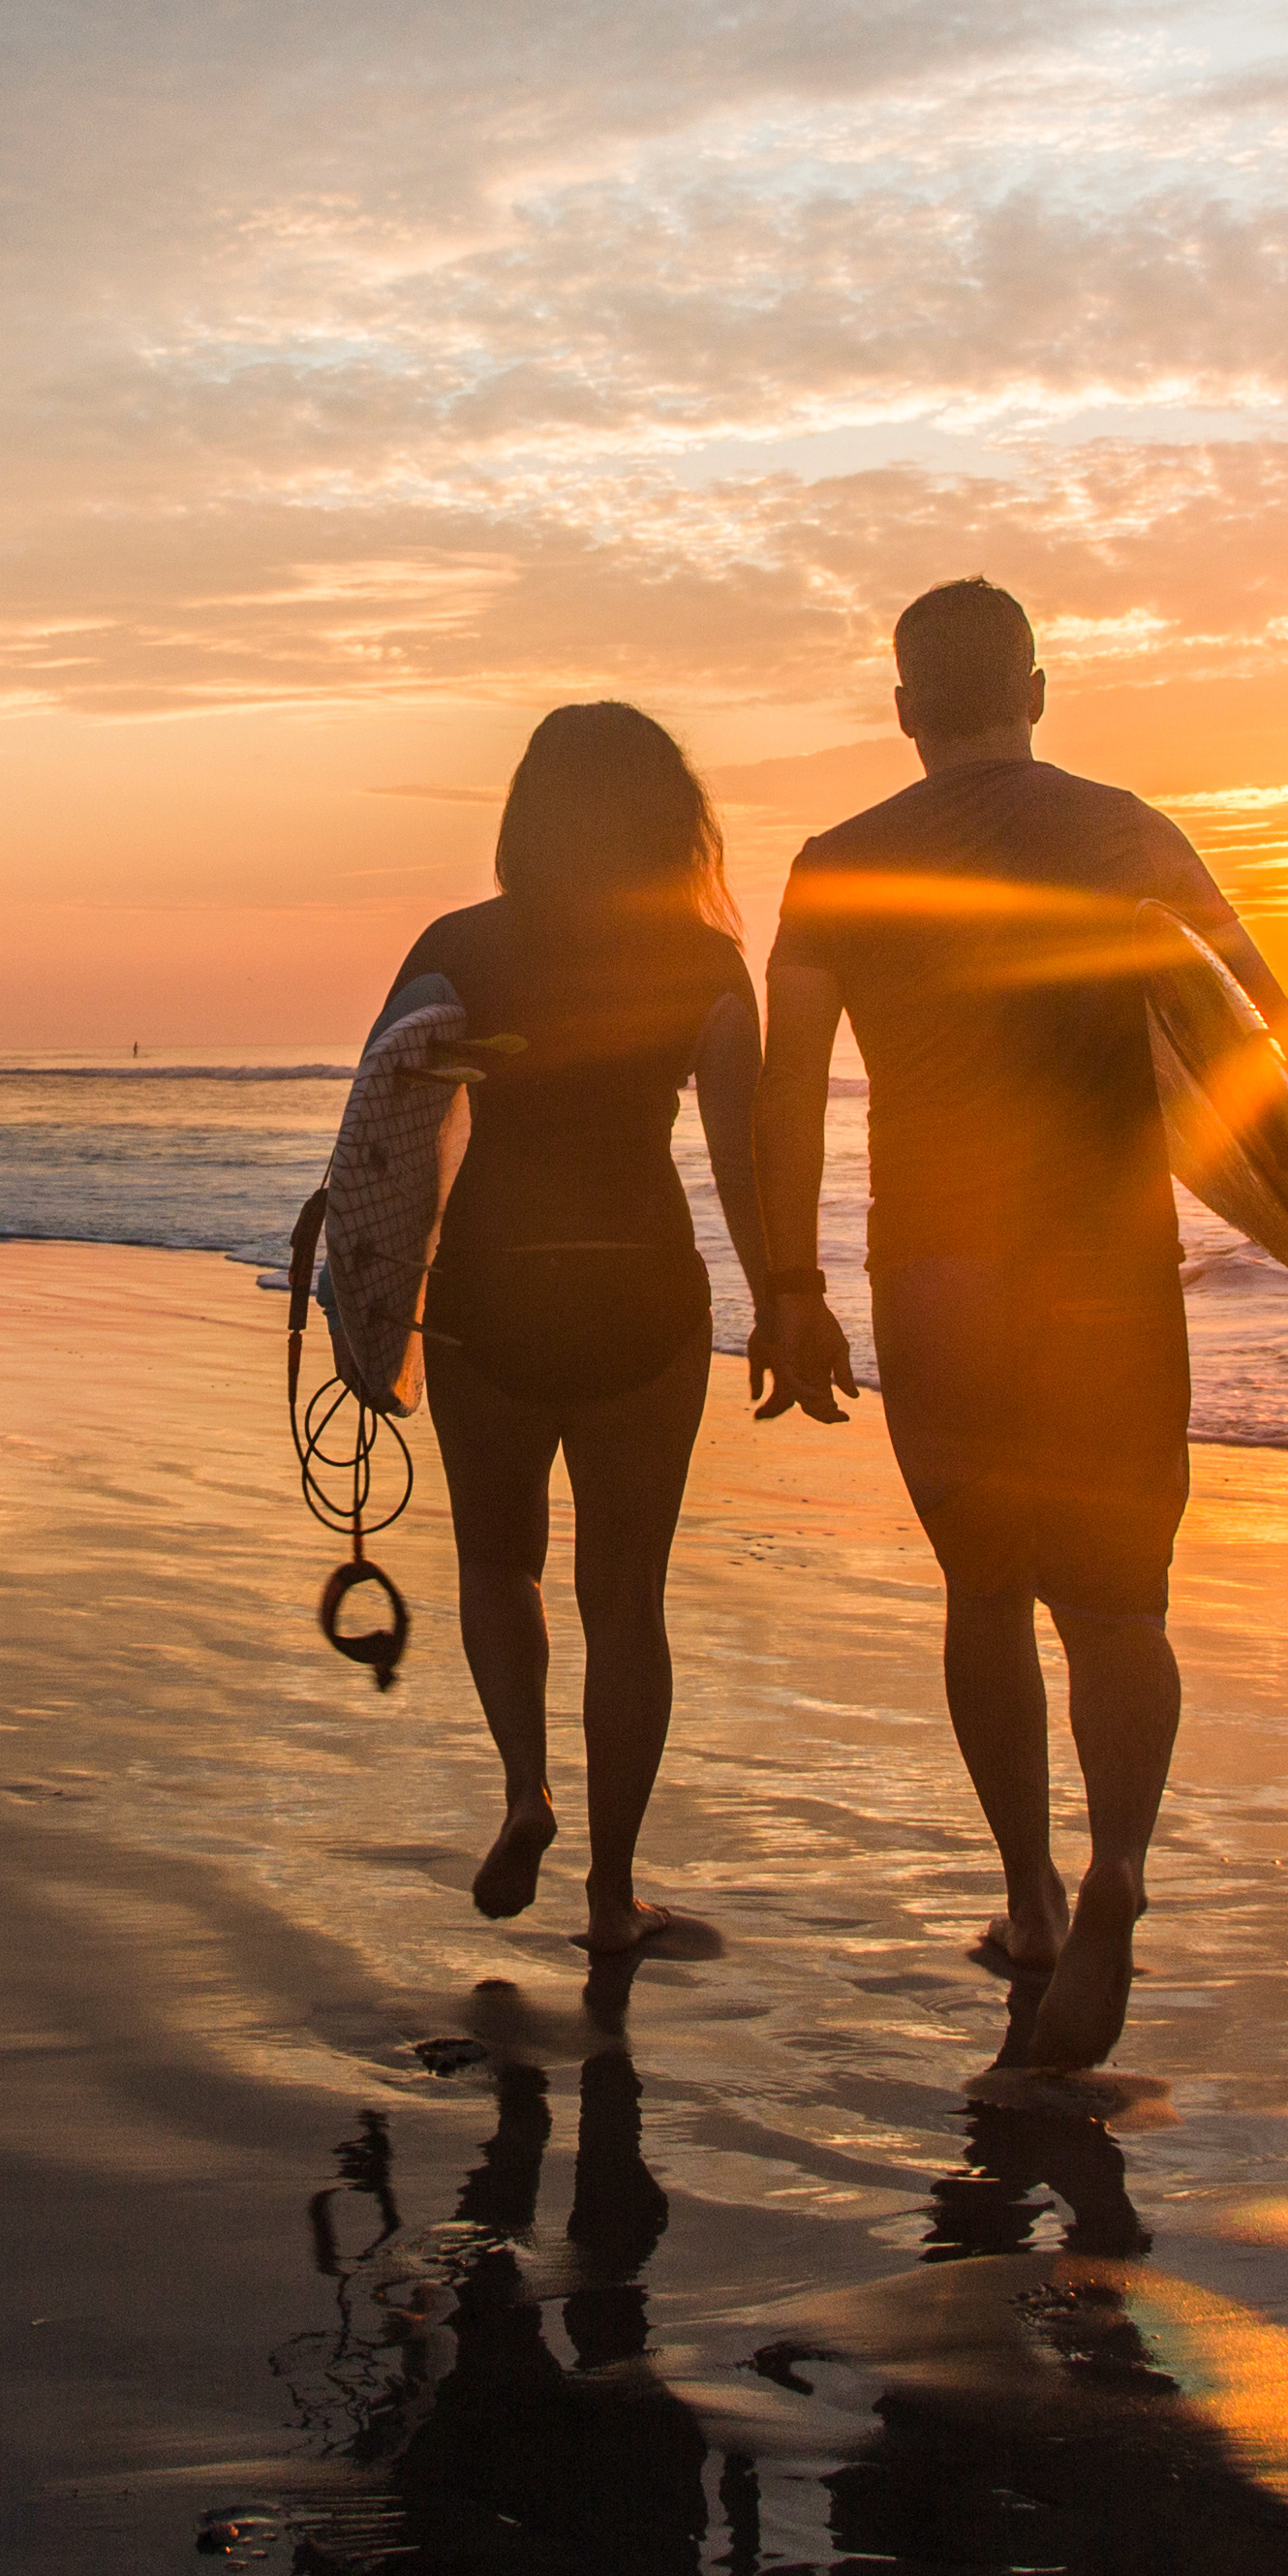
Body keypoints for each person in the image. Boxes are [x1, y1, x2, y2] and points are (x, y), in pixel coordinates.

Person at [745, 578, 1288, 2071]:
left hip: (935, 1271)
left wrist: (787, 1289)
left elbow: (786, 1097)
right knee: (1117, 1604)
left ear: (904, 709)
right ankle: (1119, 1873)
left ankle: (1024, 1899)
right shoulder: (1128, 831)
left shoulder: (833, 869)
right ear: (1037, 684)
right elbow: (1270, 1034)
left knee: (984, 1594)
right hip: (1102, 1269)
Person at [364, 702, 765, 1959]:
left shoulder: (457, 947)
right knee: (626, 1600)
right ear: (668, 816)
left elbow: (385, 1137)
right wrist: (790, 1302)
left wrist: (373, 1312)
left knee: (499, 1567)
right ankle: (613, 1891)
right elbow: (746, 1163)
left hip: (491, 1293)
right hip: (640, 1293)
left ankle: (525, 1789)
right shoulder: (703, 963)